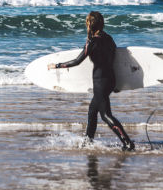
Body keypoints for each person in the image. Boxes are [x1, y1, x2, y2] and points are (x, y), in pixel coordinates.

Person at [48, 11, 135, 151]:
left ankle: (127, 142)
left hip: (100, 83)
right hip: (111, 80)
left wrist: (56, 65)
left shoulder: (92, 42)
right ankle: (88, 141)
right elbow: (115, 60)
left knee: (106, 115)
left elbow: (77, 61)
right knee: (92, 110)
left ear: (90, 24)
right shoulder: (109, 38)